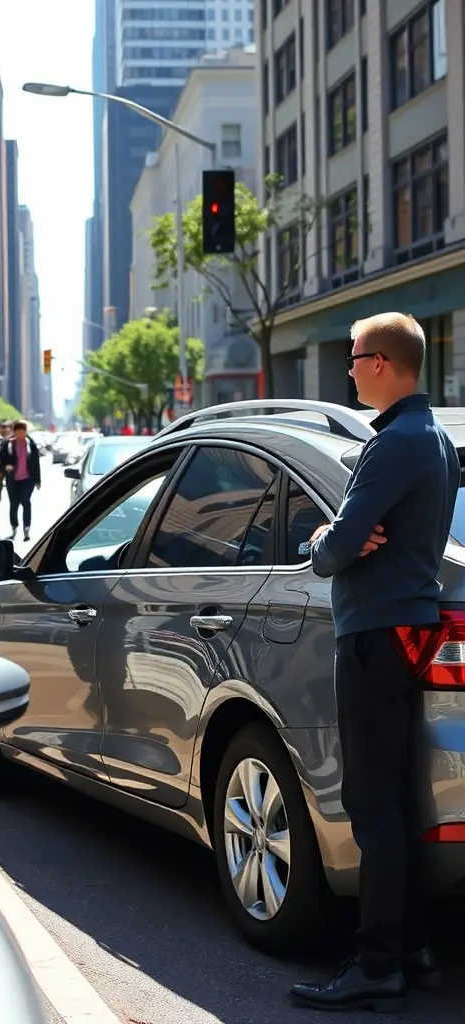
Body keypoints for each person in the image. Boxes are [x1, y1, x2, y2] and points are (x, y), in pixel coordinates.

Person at [290, 313, 460, 1013]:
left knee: (373, 804)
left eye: (356, 358)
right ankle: (412, 950)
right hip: (401, 630)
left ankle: (378, 962)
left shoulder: (392, 444)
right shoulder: (435, 438)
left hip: (376, 634)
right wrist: (349, 537)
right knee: (394, 800)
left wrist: (330, 534)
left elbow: (332, 551)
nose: (350, 369)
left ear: (383, 362)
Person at [1, 419, 41, 542]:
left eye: (22, 432)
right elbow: (1, 461)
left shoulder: (31, 445)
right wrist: (5, 466)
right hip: (13, 480)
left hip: (27, 479)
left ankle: (26, 529)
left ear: (25, 432)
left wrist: (38, 480)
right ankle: (14, 527)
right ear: (14, 432)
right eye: (17, 432)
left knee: (26, 501)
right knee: (14, 504)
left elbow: (36, 463)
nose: (20, 435)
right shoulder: (8, 445)